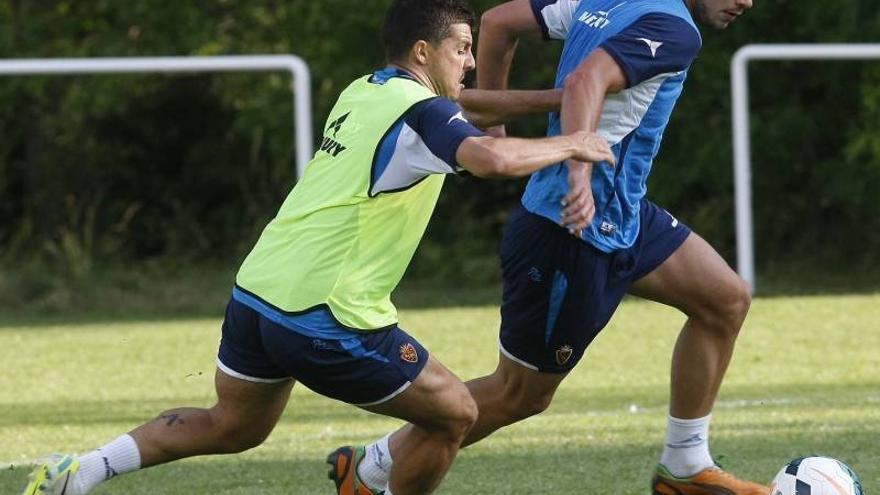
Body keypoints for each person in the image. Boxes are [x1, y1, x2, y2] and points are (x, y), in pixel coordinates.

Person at [20, 1, 616, 495]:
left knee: (233, 425)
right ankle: (368, 482)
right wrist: (573, 141)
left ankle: (83, 472)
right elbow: (489, 156)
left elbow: (469, 107)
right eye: (461, 48)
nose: (469, 60)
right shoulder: (421, 113)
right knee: (455, 414)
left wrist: (555, 98)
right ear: (422, 53)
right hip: (326, 313)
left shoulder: (367, 90)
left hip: (259, 292)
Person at [335, 0, 768, 494]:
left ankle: (685, 465)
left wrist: (491, 119)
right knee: (519, 394)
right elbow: (585, 81)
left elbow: (498, 22)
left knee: (724, 300)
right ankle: (372, 469)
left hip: (625, 212)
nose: (746, 2)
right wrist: (579, 175)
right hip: (569, 227)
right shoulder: (674, 29)